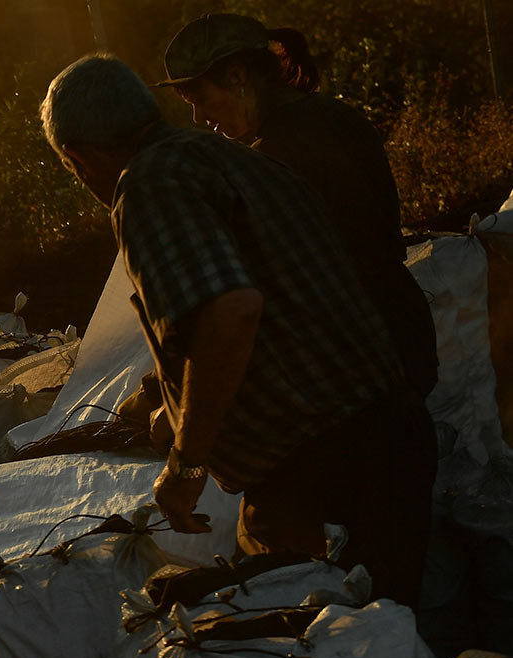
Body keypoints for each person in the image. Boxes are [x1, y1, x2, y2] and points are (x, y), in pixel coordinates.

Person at [42, 54, 436, 609]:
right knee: (378, 647)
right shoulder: (230, 159)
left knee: (298, 649)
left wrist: (187, 466)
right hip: (392, 430)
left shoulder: (147, 185)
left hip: (316, 463)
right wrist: (169, 402)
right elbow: (263, 302)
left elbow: (231, 312)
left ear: (79, 159)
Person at [155, 12, 439, 399]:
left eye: (201, 99)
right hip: (404, 341)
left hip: (352, 374)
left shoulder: (273, 158)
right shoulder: (339, 117)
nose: (199, 117)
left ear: (238, 76)